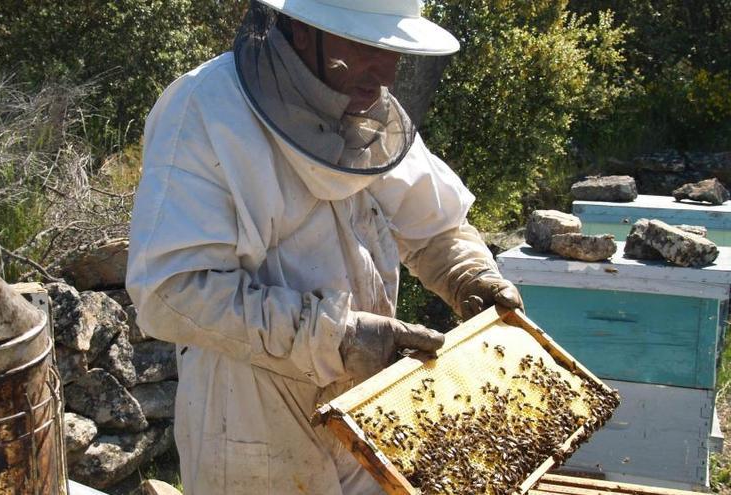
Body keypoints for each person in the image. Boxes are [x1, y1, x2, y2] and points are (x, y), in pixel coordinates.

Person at [126, 1, 523, 493]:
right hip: (251, 419)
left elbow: (434, 224)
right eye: (363, 44)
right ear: (299, 30)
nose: (383, 72)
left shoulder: (370, 111)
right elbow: (170, 292)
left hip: (369, 411)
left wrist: (469, 274)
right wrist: (339, 339)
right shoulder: (204, 111)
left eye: (392, 49)